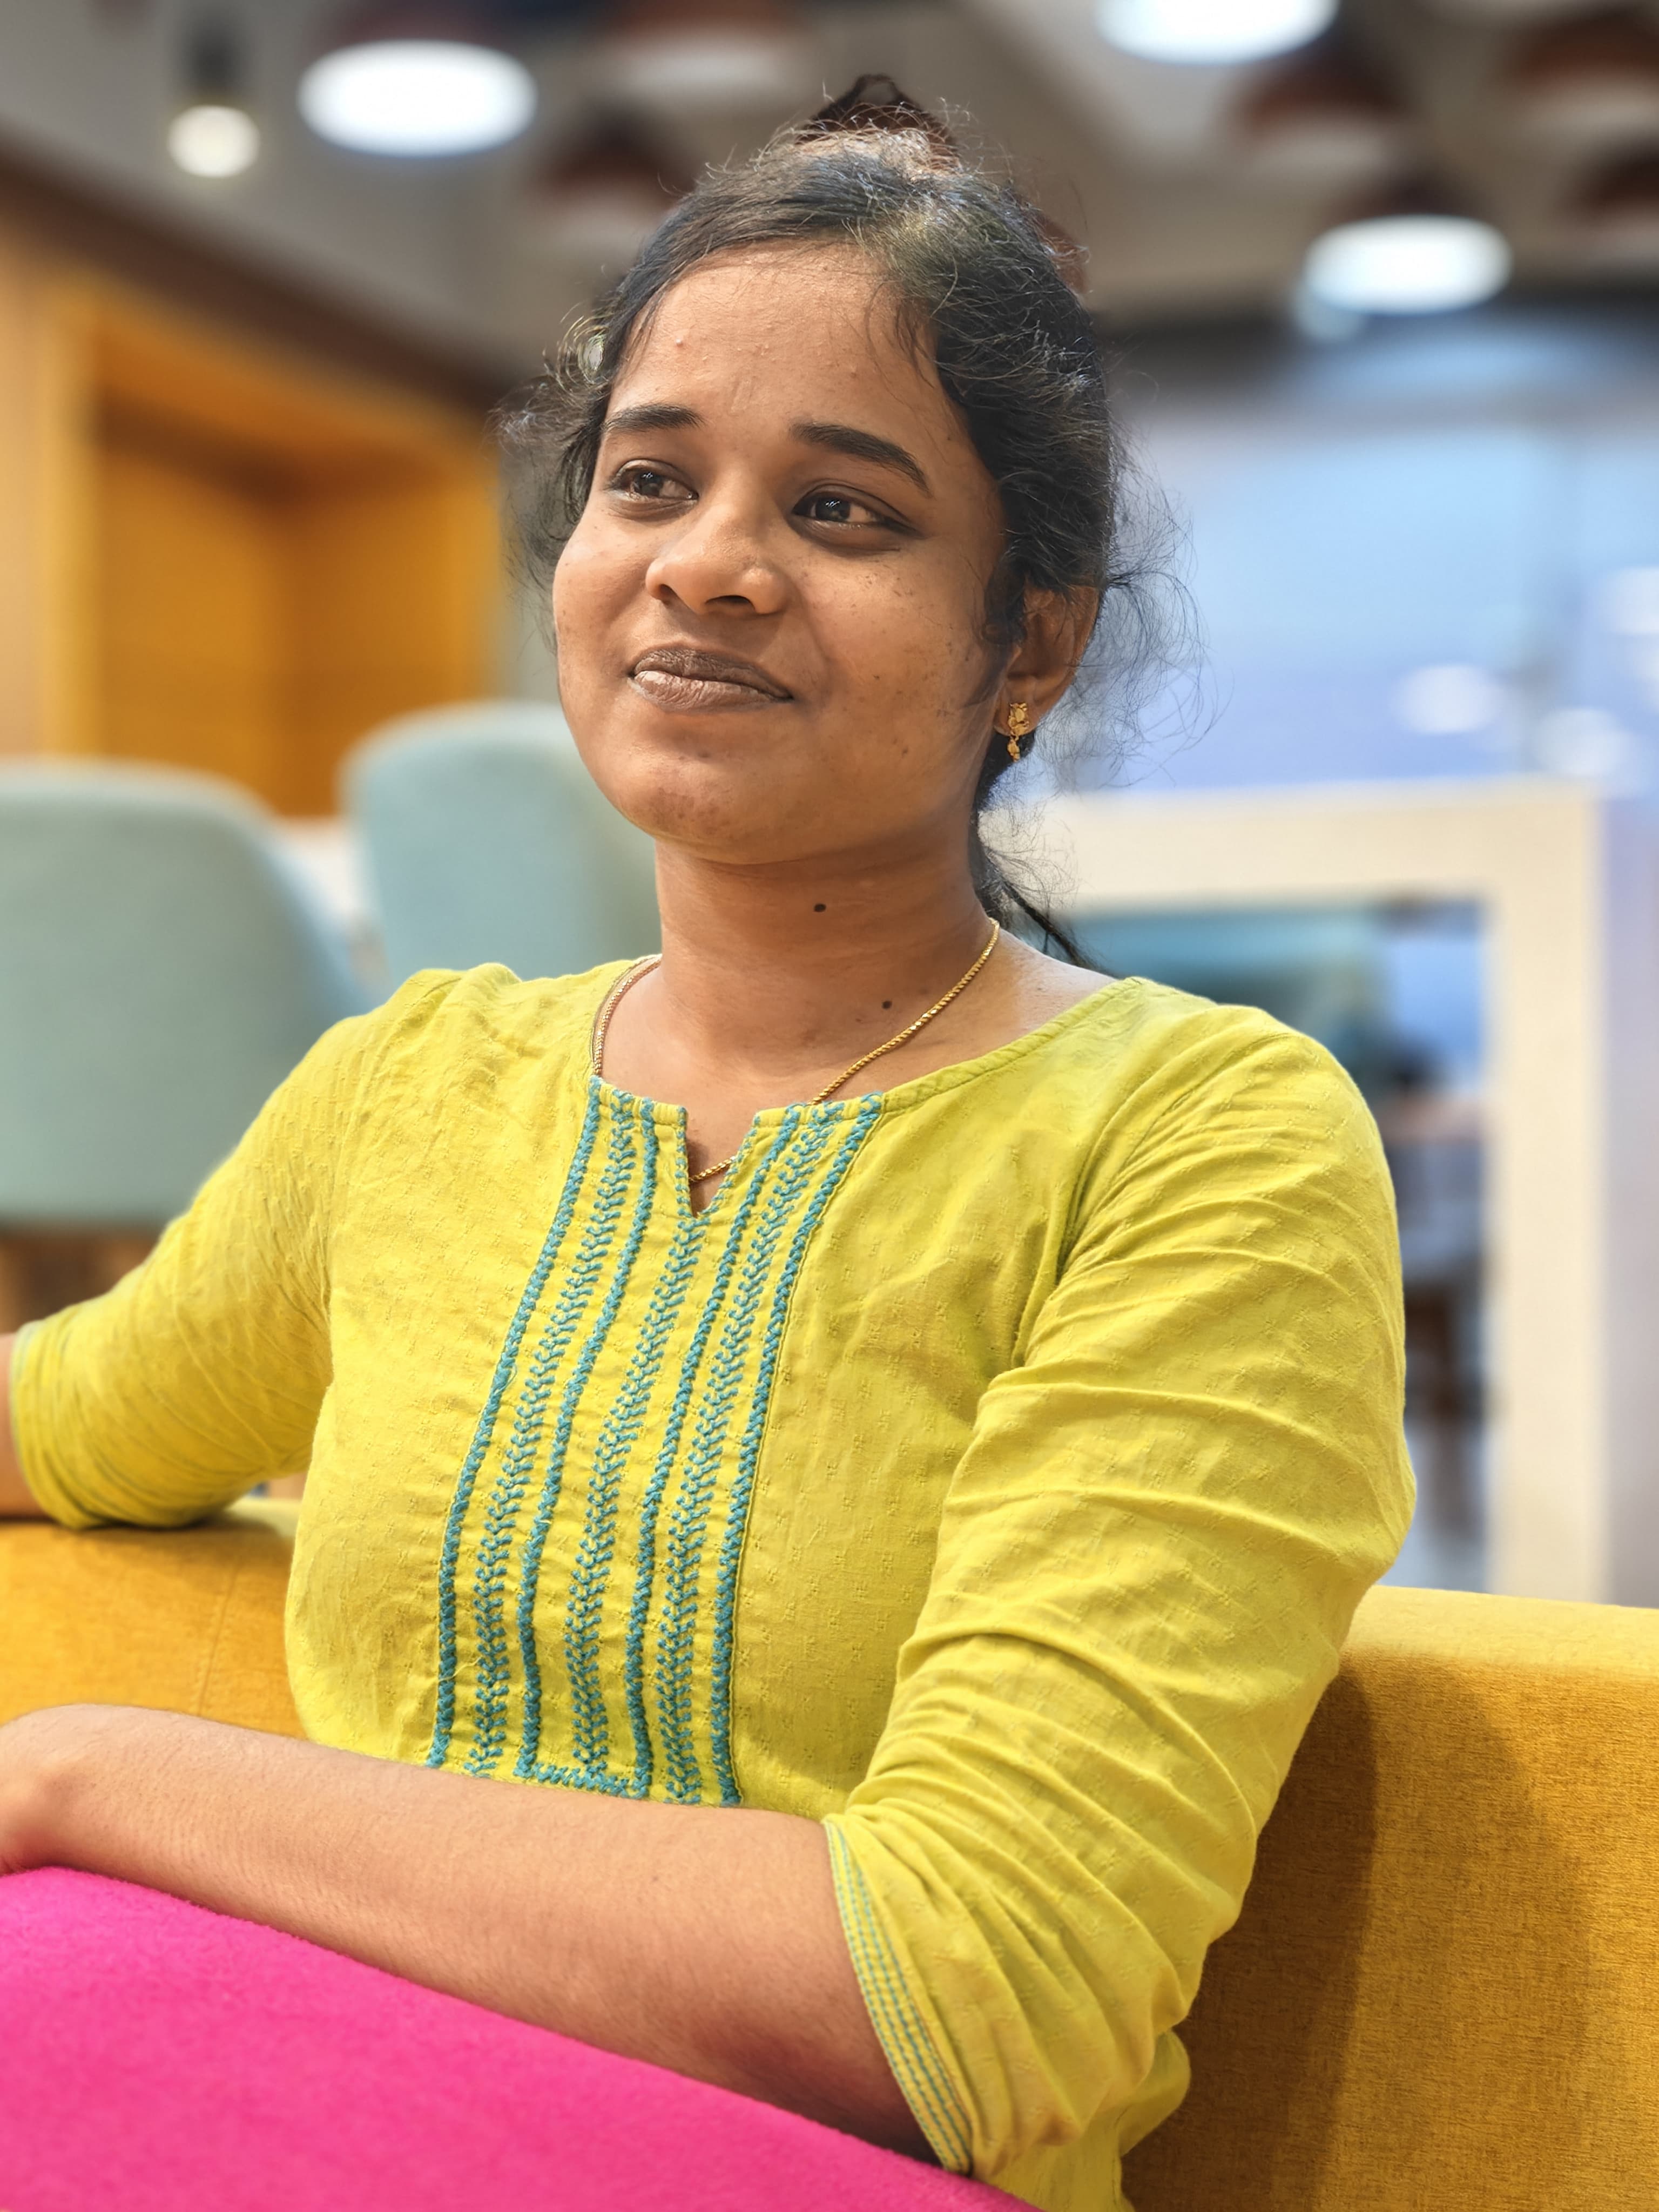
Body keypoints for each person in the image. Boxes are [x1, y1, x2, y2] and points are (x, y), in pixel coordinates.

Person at [0, 80, 1411, 2212]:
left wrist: (87, 1777)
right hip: (290, 2106)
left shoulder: (1197, 1141)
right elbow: (69, 1419)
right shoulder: (416, 1088)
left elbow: (976, 1995)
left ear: (1030, 641)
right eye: (649, 479)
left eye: (842, 511)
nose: (709, 565)